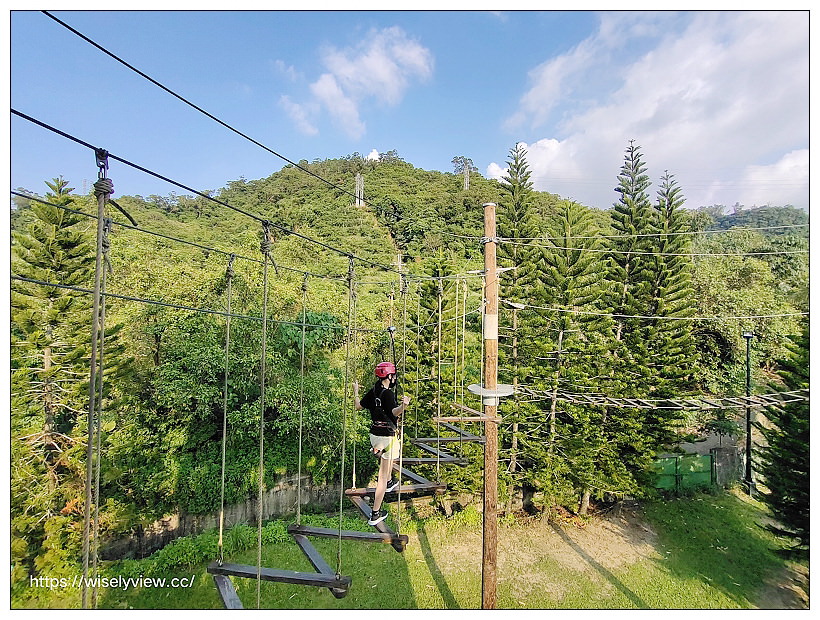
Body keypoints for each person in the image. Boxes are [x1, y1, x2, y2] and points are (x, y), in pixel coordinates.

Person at [353, 361, 411, 525]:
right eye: (393, 376)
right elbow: (394, 412)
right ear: (389, 376)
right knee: (382, 479)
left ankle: (391, 481)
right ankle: (375, 514)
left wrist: (356, 391)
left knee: (387, 462)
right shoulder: (388, 394)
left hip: (375, 436)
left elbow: (358, 406)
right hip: (387, 437)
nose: (395, 379)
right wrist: (403, 406)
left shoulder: (373, 391)